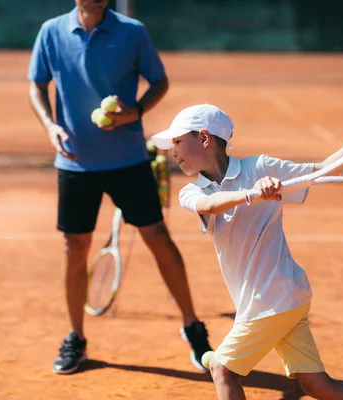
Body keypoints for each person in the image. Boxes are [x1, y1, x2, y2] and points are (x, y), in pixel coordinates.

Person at [151, 104, 343, 399]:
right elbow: (210, 205)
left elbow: (321, 170)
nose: (173, 150)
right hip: (281, 299)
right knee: (317, 385)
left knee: (222, 369)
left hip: (273, 298)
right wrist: (252, 194)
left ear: (204, 138)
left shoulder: (260, 167)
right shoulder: (193, 191)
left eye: (178, 141)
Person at [27, 1, 212, 375]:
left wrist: (136, 111)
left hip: (128, 159)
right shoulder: (51, 31)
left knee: (158, 237)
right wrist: (50, 126)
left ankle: (193, 326)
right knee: (74, 246)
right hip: (75, 162)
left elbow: (159, 82)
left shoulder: (132, 31)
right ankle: (76, 337)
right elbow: (37, 84)